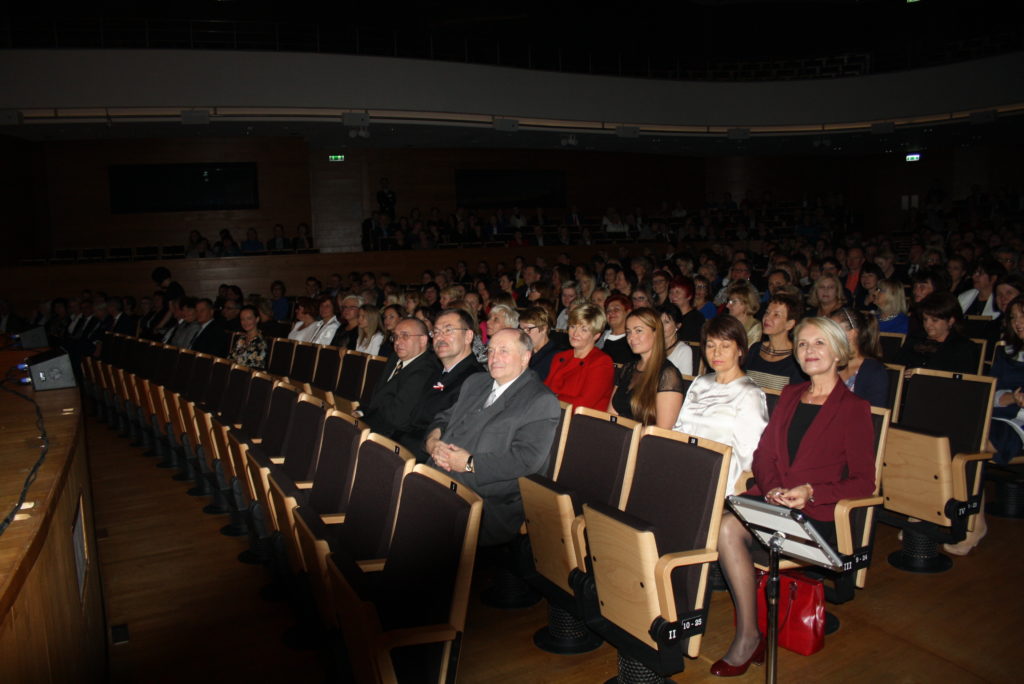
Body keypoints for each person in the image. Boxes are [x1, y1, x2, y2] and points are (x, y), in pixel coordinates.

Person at [712, 317, 875, 676]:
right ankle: (750, 633)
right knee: (725, 526)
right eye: (802, 344)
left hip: (815, 516)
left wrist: (811, 492)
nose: (809, 351)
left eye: (819, 343)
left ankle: (748, 637)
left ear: (838, 352)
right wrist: (770, 487)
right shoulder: (788, 395)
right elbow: (764, 455)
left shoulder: (854, 408)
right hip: (774, 503)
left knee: (727, 528)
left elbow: (864, 483)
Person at [426, 328, 561, 547]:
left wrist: (469, 464)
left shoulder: (540, 400)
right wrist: (433, 441)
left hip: (490, 498)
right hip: (442, 472)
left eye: (504, 351)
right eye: (491, 351)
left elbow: (526, 460)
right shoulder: (476, 383)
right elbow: (443, 418)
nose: (494, 358)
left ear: (525, 357)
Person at [674, 314, 769, 495]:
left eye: (725, 346)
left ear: (740, 350)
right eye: (710, 345)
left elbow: (749, 456)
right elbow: (680, 430)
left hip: (719, 476)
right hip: (686, 465)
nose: (716, 353)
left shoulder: (750, 394)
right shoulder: (700, 383)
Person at [395, 308, 484, 461]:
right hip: (405, 445)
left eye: (448, 331)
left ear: (468, 336)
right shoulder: (437, 372)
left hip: (427, 458)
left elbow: (451, 435)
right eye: (436, 332)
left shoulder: (477, 380)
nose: (440, 337)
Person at [357, 317, 440, 439]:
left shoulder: (426, 370)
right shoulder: (395, 358)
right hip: (373, 421)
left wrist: (367, 416)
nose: (397, 342)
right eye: (395, 336)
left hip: (391, 435)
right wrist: (361, 412)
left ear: (423, 340)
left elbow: (397, 418)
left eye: (405, 336)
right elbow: (377, 395)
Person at [608, 308, 684, 428]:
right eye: (628, 332)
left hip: (644, 442)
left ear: (656, 333)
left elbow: (662, 431)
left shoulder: (668, 374)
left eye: (638, 331)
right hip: (619, 437)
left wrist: (625, 438)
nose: (631, 338)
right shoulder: (628, 368)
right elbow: (611, 414)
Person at [545, 303, 615, 411]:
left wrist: (549, 400)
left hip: (580, 422)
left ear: (596, 335)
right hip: (552, 414)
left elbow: (583, 404)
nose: (575, 334)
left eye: (584, 329)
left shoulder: (601, 362)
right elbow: (544, 391)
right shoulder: (560, 357)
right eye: (573, 327)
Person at [895, 291, 978, 374]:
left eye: (934, 320)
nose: (928, 324)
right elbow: (897, 368)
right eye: (925, 319)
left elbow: (963, 382)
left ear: (950, 321)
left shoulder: (964, 348)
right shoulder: (914, 339)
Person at [743, 293, 806, 391]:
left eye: (776, 315)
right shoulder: (755, 349)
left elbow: (795, 397)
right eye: (767, 312)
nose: (767, 318)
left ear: (789, 324)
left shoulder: (797, 357)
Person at [831, 307, 889, 408]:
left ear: (852, 334)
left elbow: (875, 415)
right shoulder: (828, 363)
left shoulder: (873, 371)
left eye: (832, 331)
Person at [519, 306, 562, 382]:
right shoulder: (523, 350)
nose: (523, 334)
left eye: (528, 329)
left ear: (544, 329)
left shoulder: (556, 356)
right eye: (522, 329)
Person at [657, 303, 694, 376]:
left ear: (677, 326)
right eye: (659, 322)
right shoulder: (653, 346)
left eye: (666, 322)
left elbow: (685, 382)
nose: (661, 326)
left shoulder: (684, 350)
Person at [598, 294, 635, 365]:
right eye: (608, 310)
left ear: (628, 312)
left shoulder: (632, 341)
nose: (611, 313)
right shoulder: (598, 336)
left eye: (616, 309)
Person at [668, 276, 706, 343]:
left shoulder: (696, 319)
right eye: (671, 292)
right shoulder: (669, 316)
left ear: (689, 296)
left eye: (677, 292)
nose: (673, 296)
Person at [725, 280, 762, 349]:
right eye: (729, 301)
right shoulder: (728, 323)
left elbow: (747, 353)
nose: (727, 306)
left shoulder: (754, 327)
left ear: (746, 304)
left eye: (733, 302)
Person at [230, 305, 267, 370]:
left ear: (257, 319)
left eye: (249, 318)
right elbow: (231, 358)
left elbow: (257, 368)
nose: (245, 322)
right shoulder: (241, 339)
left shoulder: (261, 342)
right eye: (242, 319)